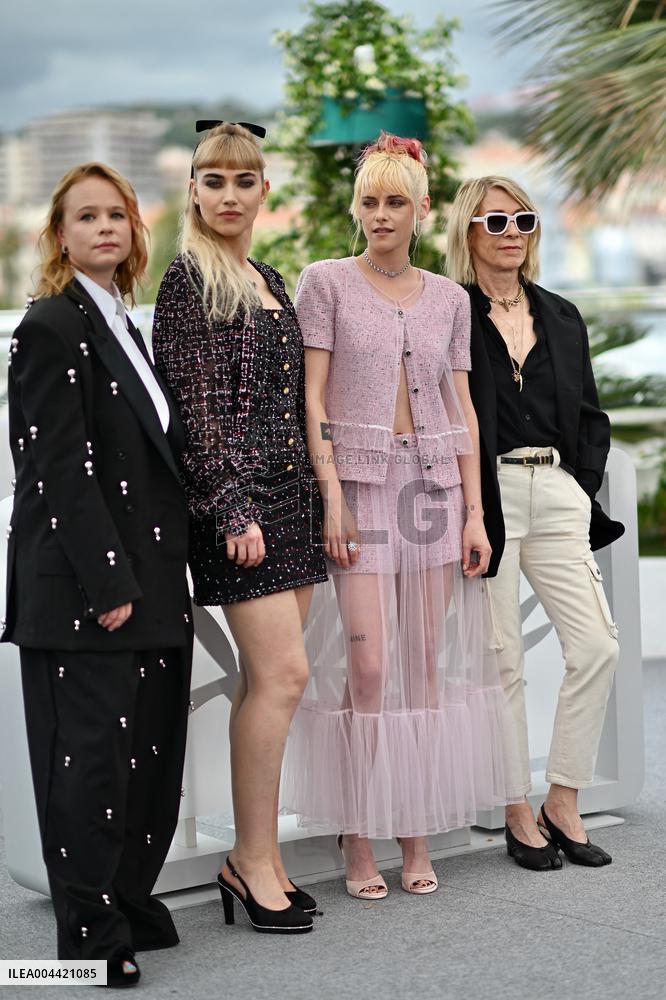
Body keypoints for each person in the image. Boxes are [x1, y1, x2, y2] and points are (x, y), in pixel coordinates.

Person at [281, 133, 523, 900]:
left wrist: (476, 514)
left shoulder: (450, 299)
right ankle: (359, 837)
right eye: (368, 201)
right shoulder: (324, 282)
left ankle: (413, 834)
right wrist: (332, 496)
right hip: (360, 489)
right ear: (356, 208)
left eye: (395, 202)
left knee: (423, 667)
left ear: (421, 210)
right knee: (369, 668)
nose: (380, 215)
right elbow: (311, 398)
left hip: (434, 494)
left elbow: (464, 411)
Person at [2, 162, 193, 986]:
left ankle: (127, 899)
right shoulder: (50, 325)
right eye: (86, 217)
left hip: (151, 577)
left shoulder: (125, 323)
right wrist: (109, 582)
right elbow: (57, 468)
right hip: (88, 590)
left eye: (116, 215)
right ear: (60, 236)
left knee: (149, 753)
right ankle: (90, 933)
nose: (105, 228)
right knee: (90, 763)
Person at [152, 121, 328, 935]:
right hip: (240, 512)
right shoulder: (189, 281)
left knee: (273, 685)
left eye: (243, 181)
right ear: (193, 190)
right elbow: (192, 411)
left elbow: (295, 405)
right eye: (213, 181)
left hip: (294, 503)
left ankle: (258, 856)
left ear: (264, 191)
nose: (228, 195)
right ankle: (251, 862)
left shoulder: (269, 275)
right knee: (283, 677)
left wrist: (327, 500)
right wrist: (231, 507)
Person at [446, 175, 623, 870]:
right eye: (496, 221)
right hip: (484, 494)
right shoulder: (450, 311)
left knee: (598, 646)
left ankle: (563, 798)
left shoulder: (562, 314)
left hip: (555, 490)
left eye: (523, 218)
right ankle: (518, 808)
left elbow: (589, 414)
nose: (513, 231)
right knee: (503, 662)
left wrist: (578, 488)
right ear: (469, 231)